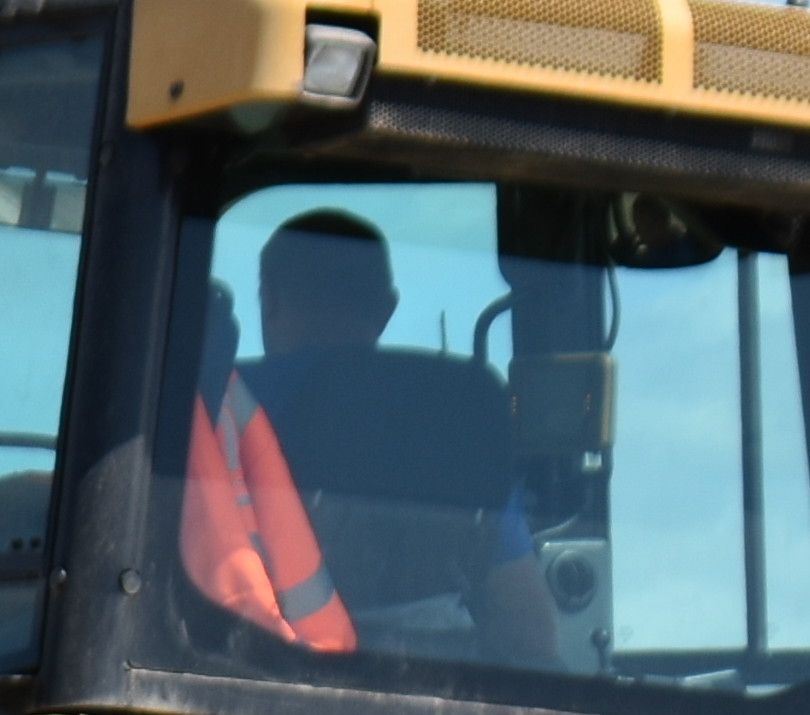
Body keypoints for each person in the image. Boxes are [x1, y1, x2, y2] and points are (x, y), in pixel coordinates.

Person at [177, 207, 563, 669]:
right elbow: (530, 633)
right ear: (386, 309)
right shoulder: (461, 418)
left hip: (250, 685)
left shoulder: (219, 405)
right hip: (439, 698)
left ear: (270, 300)